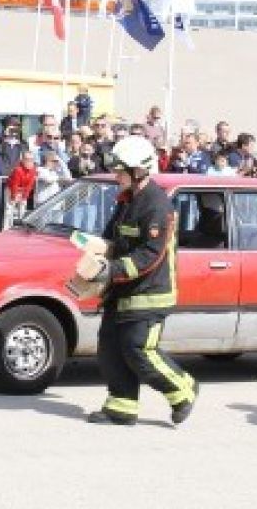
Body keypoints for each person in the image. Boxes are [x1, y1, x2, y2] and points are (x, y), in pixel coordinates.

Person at [80, 135, 198, 427]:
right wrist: (93, 255)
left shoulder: (157, 205)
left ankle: (182, 388)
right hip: (121, 291)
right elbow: (111, 238)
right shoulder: (126, 200)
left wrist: (112, 269)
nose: (116, 176)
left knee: (138, 349)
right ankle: (121, 407)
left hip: (150, 293)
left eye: (121, 171)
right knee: (110, 349)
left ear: (139, 171)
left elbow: (150, 254)